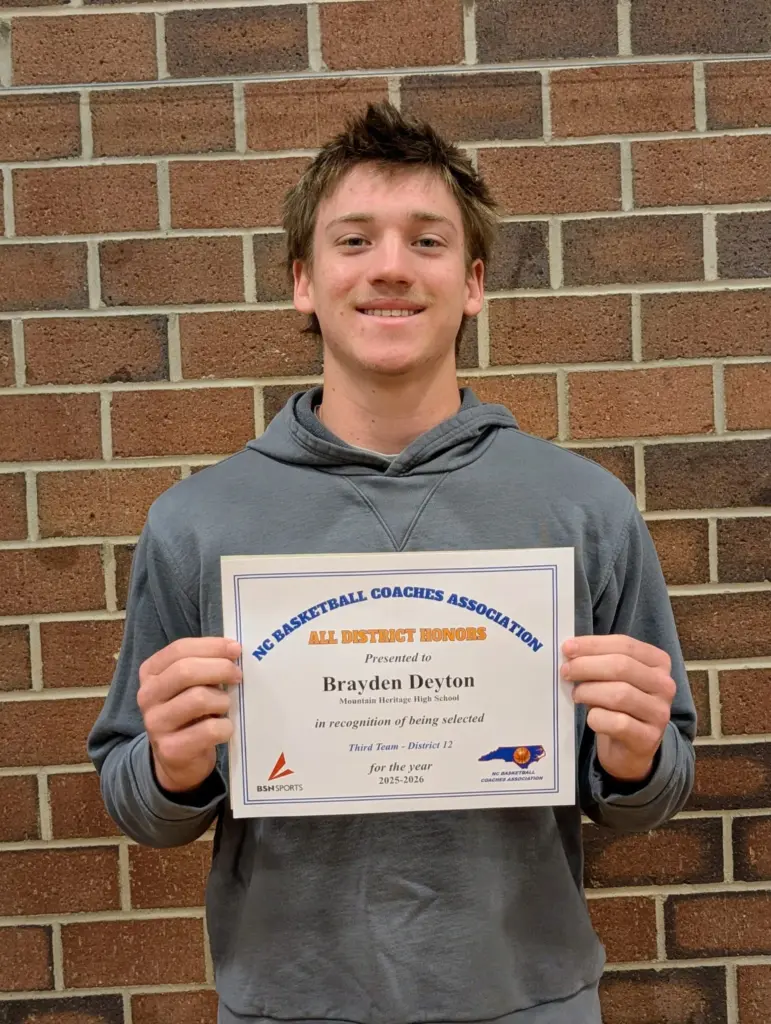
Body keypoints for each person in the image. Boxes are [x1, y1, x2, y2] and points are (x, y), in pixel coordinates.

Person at [88, 102, 696, 1024]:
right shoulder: (197, 523)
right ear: (303, 281)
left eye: (427, 241)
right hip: (288, 1006)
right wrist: (174, 767)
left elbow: (652, 790)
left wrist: (635, 757)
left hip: (528, 1001)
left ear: (473, 283)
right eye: (353, 240)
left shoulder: (584, 509)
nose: (390, 267)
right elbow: (134, 798)